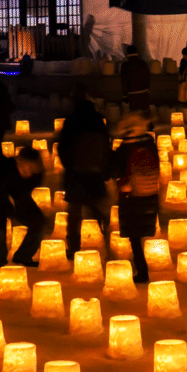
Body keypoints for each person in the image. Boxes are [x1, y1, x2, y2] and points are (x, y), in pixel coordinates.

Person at [57, 84, 111, 259]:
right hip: (95, 172)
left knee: (74, 212)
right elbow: (106, 146)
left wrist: (68, 165)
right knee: (95, 205)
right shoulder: (98, 120)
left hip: (76, 173)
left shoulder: (71, 120)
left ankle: (73, 247)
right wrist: (104, 169)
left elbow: (63, 147)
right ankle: (108, 239)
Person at [110, 112, 160, 283]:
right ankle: (141, 267)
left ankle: (142, 271)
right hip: (150, 194)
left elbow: (116, 170)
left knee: (134, 236)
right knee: (140, 234)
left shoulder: (126, 148)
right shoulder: (150, 144)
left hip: (131, 195)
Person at [0, 146, 45, 267]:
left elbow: (24, 191)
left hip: (18, 197)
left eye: (32, 168)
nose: (28, 171)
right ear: (18, 160)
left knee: (38, 222)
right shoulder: (3, 170)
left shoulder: (37, 174)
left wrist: (19, 206)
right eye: (26, 166)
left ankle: (23, 256)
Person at [120, 45, 150, 113]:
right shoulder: (143, 64)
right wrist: (147, 90)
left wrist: (125, 96)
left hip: (132, 94)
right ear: (137, 52)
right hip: (144, 92)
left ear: (127, 54)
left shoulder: (125, 66)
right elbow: (147, 77)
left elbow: (124, 81)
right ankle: (149, 123)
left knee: (135, 115)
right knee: (146, 114)